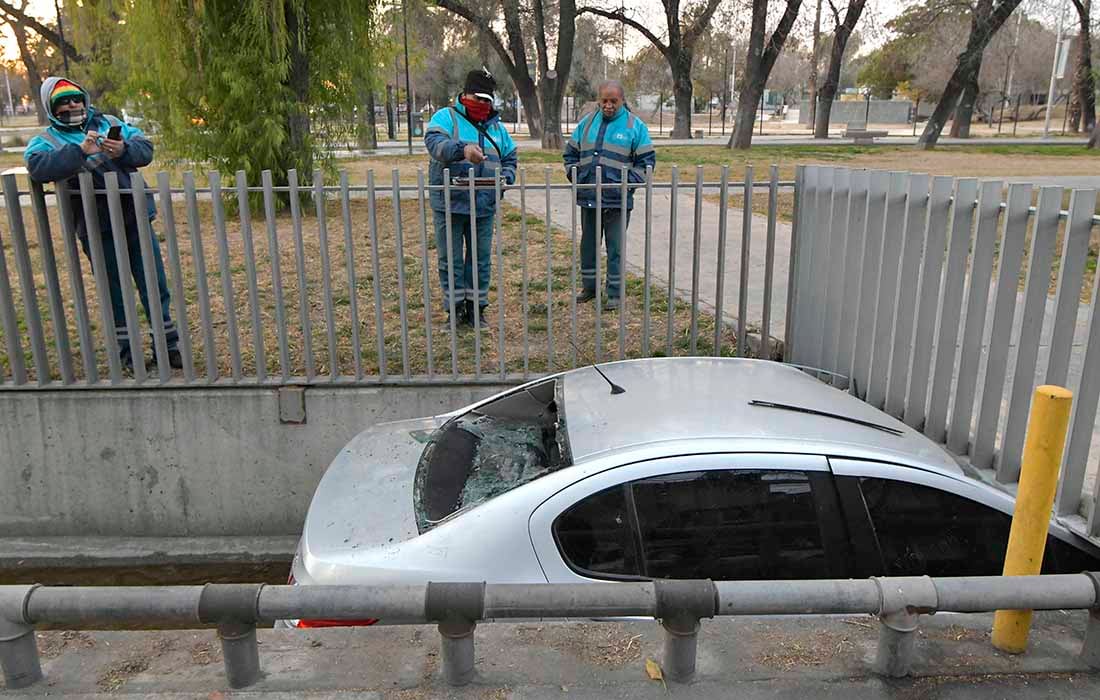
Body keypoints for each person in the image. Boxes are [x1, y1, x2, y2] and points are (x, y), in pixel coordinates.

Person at [24, 76, 181, 371]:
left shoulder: (108, 121)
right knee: (115, 292)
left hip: (136, 217)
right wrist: (80, 151)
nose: (73, 104)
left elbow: (145, 148)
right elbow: (38, 167)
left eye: (75, 98)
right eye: (63, 102)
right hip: (96, 227)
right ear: (51, 108)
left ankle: (168, 347)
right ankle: (128, 354)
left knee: (154, 284)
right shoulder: (45, 141)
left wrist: (122, 151)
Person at [424, 68, 517, 328]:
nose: (483, 105)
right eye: (479, 99)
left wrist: (505, 179)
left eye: (488, 100)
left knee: (480, 261)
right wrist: (462, 150)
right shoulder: (446, 118)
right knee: (450, 260)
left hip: (484, 205)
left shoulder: (497, 128)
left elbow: (510, 157)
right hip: (450, 204)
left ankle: (476, 309)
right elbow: (434, 144)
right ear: (465, 95)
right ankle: (454, 311)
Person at [563, 80, 655, 310]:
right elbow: (570, 155)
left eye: (613, 101)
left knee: (615, 248)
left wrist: (625, 185)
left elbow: (646, 164)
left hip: (618, 200)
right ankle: (589, 288)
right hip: (589, 198)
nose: (608, 105)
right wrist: (577, 178)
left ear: (622, 100)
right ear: (598, 99)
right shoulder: (586, 124)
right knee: (588, 245)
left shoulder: (635, 126)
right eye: (604, 100)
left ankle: (614, 294)